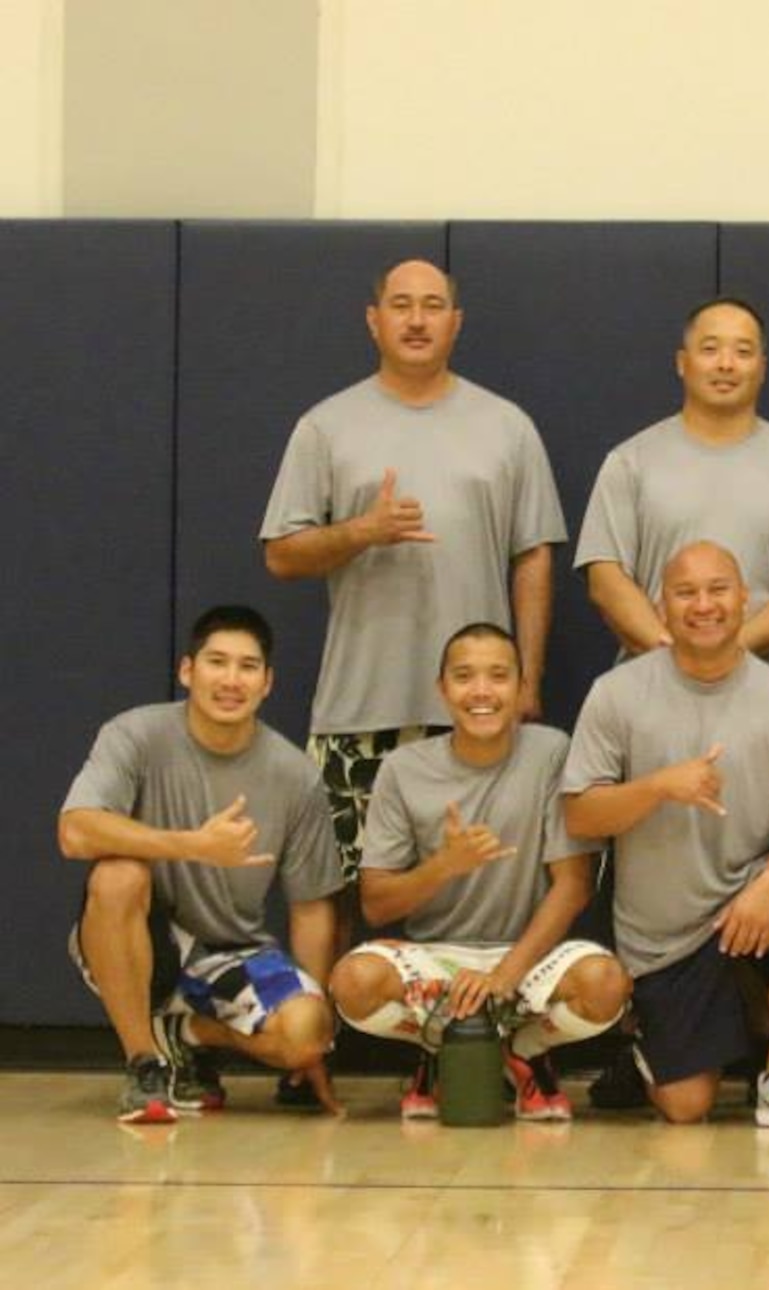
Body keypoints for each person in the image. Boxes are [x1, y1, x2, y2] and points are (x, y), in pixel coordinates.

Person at [262, 259, 568, 885]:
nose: (418, 319)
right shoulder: (325, 426)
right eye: (402, 305)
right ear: (374, 321)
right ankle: (338, 990)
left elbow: (534, 555)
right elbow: (281, 554)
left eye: (433, 306)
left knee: (475, 885)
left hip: (473, 709)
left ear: (455, 323)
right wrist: (360, 531)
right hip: (359, 706)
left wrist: (528, 679)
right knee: (343, 888)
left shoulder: (507, 427)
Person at [562, 542, 769, 1132]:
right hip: (663, 938)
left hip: (748, 909)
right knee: (686, 1108)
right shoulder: (617, 693)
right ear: (662, 607)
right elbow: (581, 817)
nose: (704, 605)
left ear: (745, 599)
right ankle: (648, 1043)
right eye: (685, 592)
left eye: (719, 589)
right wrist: (659, 787)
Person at [328, 623, 632, 1121]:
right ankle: (441, 1050)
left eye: (498, 676)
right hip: (435, 961)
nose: (482, 691)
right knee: (352, 982)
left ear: (519, 688)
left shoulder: (552, 752)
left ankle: (526, 1052)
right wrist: (443, 867)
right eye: (465, 676)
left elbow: (574, 886)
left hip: (529, 957)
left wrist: (504, 976)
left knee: (605, 985)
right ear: (442, 690)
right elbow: (376, 904)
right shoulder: (404, 768)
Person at [58, 606, 343, 1123]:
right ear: (188, 671)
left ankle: (186, 1034)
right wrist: (191, 846)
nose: (231, 680)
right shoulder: (135, 735)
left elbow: (310, 908)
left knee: (304, 1035)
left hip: (233, 951)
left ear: (267, 682)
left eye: (247, 666)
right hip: (140, 938)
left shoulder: (295, 774)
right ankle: (144, 1063)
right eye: (217, 662)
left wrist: (317, 1032)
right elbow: (75, 832)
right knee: (118, 874)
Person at [575, 296, 769, 689]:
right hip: (649, 694)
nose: (725, 364)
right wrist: (674, 656)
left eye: (743, 351)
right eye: (709, 349)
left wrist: (722, 654)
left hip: (765, 700)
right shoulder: (629, 462)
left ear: (763, 368)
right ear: (682, 363)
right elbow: (606, 578)